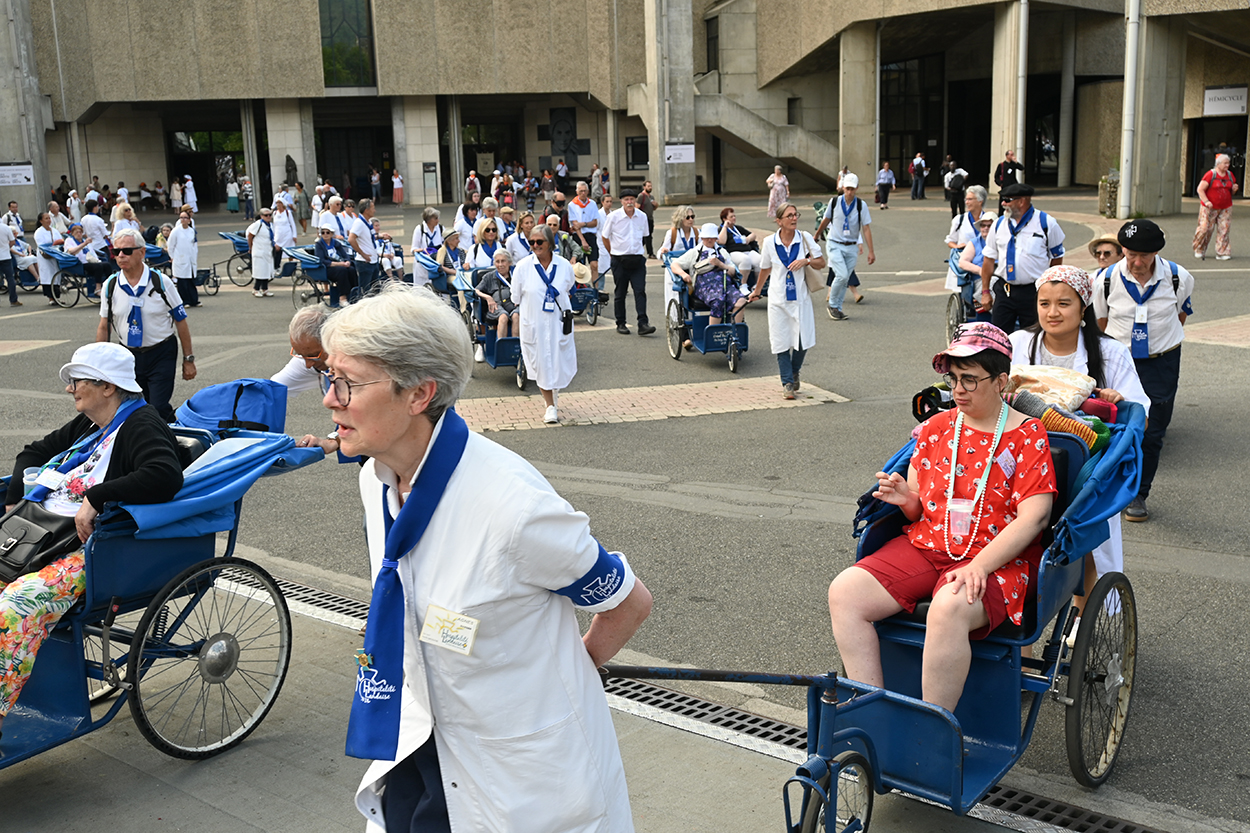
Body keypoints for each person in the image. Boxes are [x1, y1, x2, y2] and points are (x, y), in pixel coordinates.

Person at [318, 285, 650, 831]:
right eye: (328, 378)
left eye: (347, 383)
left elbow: (628, 602)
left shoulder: (514, 507)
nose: (330, 399)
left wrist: (572, 670)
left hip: (519, 776)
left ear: (419, 394)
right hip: (421, 747)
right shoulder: (376, 480)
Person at [827, 323, 1055, 713]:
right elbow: (921, 506)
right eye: (954, 379)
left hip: (1000, 558)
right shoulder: (935, 428)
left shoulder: (1027, 434)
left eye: (970, 379)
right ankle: (870, 708)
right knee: (845, 592)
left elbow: (1034, 518)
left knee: (948, 606)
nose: (958, 390)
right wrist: (906, 499)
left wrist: (979, 566)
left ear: (1000, 381)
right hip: (930, 544)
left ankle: (932, 727)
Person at [0, 342, 184, 740]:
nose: (70, 388)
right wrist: (16, 499)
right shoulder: (89, 424)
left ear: (108, 387)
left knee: (14, 607)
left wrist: (97, 497)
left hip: (91, 547)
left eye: (77, 380)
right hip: (43, 533)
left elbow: (165, 474)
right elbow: (33, 453)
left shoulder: (141, 423)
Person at [1009, 265, 1149, 599]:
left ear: (1083, 307)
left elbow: (1140, 414)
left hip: (1084, 466)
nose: (1052, 313)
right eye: (1044, 303)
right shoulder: (1018, 343)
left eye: (1063, 303)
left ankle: (1080, 614)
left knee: (1084, 547)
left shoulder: (1110, 352)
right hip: (1021, 458)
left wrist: (1117, 400)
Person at [1092, 219, 1194, 523]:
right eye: (1131, 254)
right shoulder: (1106, 279)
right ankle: (1107, 488)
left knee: (1153, 431)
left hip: (1161, 362)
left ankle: (1139, 493)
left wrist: (1157, 342)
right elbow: (1101, 320)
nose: (1137, 263)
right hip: (1120, 360)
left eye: (1145, 256)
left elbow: (1180, 315)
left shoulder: (1178, 277)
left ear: (1157, 253)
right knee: (1113, 425)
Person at [95, 229, 196, 422]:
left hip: (161, 352)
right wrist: (99, 365)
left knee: (157, 406)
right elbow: (103, 326)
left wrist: (188, 359)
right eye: (116, 251)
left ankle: (169, 435)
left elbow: (181, 321)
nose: (121, 256)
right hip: (128, 355)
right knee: (134, 408)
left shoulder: (161, 282)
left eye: (127, 251)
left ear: (142, 252)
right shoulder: (111, 285)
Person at [749, 202, 826, 399]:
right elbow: (765, 269)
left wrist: (806, 261)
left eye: (795, 215)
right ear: (779, 221)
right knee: (780, 340)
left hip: (800, 298)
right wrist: (756, 291)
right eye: (789, 216)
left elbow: (821, 262)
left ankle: (794, 370)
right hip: (778, 299)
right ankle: (787, 383)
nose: (794, 218)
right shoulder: (769, 242)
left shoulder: (804, 238)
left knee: (803, 340)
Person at [979, 182, 1065, 333]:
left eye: (1007, 200)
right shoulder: (999, 224)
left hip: (1033, 291)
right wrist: (985, 292)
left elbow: (1057, 259)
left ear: (1022, 201)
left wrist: (1050, 289)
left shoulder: (1046, 223)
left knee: (1033, 336)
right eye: (1003, 200)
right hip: (1005, 290)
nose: (1003, 204)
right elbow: (988, 260)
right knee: (999, 336)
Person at [669, 223, 747, 345]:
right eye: (707, 237)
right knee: (718, 301)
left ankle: (735, 335)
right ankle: (712, 338)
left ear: (716, 238)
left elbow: (733, 272)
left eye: (712, 237)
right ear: (702, 238)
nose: (710, 240)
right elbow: (674, 264)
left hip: (725, 284)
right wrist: (683, 274)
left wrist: (721, 264)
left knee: (741, 301)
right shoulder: (694, 252)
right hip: (704, 286)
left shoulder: (722, 252)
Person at [815, 174, 874, 320]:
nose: (849, 192)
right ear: (843, 187)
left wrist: (871, 251)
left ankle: (838, 308)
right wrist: (816, 235)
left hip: (851, 246)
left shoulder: (861, 205)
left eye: (852, 189)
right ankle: (832, 304)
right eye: (847, 189)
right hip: (835, 243)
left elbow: (866, 228)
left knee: (845, 278)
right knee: (841, 275)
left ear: (857, 188)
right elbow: (826, 219)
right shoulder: (834, 202)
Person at [600, 188, 654, 336]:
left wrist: (636, 249)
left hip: (637, 260)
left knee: (640, 291)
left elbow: (644, 235)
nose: (629, 202)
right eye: (626, 200)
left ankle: (643, 323)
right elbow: (605, 236)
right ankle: (621, 323)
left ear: (635, 200)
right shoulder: (614, 217)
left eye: (631, 199)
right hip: (619, 259)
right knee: (620, 292)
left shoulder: (642, 216)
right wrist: (612, 253)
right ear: (622, 201)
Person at [944, 185, 989, 296]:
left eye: (970, 199)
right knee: (964, 295)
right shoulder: (959, 220)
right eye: (966, 199)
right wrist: (956, 246)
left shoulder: (990, 220)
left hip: (983, 262)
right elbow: (950, 241)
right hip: (965, 263)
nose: (966, 202)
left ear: (980, 201)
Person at [1193, 152, 1238, 261]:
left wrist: (1234, 189)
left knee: (1224, 229)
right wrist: (1206, 201)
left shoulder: (1230, 175)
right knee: (1205, 228)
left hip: (1225, 207)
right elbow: (1200, 189)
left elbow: (1231, 190)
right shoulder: (1211, 174)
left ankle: (1222, 252)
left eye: (1228, 163)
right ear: (1218, 164)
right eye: (1225, 163)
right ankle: (1199, 248)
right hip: (1209, 207)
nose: (1227, 165)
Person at [474, 249, 521, 349]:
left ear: (509, 262)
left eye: (503, 261)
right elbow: (476, 290)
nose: (500, 265)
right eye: (497, 261)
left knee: (516, 316)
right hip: (496, 306)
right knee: (503, 317)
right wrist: (488, 297)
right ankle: (501, 350)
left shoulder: (517, 274)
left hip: (514, 304)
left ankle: (515, 348)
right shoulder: (489, 277)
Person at [718, 207, 761, 294]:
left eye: (734, 216)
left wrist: (748, 239)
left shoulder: (738, 228)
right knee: (745, 260)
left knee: (760, 260)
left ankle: (758, 285)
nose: (734, 218)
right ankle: (743, 285)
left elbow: (753, 235)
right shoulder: (722, 230)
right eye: (731, 217)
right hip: (732, 253)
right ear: (724, 219)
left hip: (747, 251)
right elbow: (721, 241)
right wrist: (725, 226)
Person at [349, 199, 384, 296]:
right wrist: (363, 254)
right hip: (365, 262)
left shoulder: (368, 222)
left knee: (376, 290)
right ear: (366, 210)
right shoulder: (359, 223)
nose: (374, 210)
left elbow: (367, 238)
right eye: (373, 208)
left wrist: (379, 236)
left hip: (373, 260)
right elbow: (351, 239)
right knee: (364, 291)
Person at [567, 181, 600, 278]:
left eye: (585, 191)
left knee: (594, 264)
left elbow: (595, 222)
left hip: (591, 235)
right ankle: (581, 285)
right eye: (581, 191)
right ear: (577, 192)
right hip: (579, 236)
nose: (583, 193)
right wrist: (583, 241)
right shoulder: (572, 205)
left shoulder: (592, 203)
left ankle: (596, 286)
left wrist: (583, 224)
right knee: (580, 266)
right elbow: (575, 225)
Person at [167, 212, 200, 308]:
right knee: (182, 281)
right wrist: (173, 257)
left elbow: (194, 245)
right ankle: (185, 301)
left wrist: (194, 256)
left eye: (185, 218)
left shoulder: (191, 231)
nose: (183, 220)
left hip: (190, 259)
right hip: (180, 258)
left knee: (190, 280)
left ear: (189, 220)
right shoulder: (176, 231)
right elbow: (170, 245)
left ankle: (194, 300)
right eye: (181, 218)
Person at [33, 212, 65, 305]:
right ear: (41, 221)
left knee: (56, 275)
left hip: (55, 256)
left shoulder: (54, 231)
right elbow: (41, 245)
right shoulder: (39, 232)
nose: (48, 220)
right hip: (45, 257)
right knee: (48, 276)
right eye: (46, 218)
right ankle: (50, 298)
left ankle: (56, 297)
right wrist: (53, 245)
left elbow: (60, 240)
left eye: (49, 218)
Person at [248, 206, 279, 298]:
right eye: (266, 215)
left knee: (266, 270)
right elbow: (250, 236)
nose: (268, 217)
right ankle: (256, 289)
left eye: (270, 215)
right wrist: (251, 247)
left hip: (267, 251)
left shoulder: (270, 225)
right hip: (259, 251)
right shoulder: (258, 225)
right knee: (260, 271)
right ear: (261, 216)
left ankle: (265, 289)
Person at [994, 150, 1024, 215]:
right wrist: (1000, 183)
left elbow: (1021, 168)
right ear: (1007, 156)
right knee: (1004, 200)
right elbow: (996, 176)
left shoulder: (1013, 164)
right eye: (1011, 155)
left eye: (1013, 154)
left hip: (1013, 185)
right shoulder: (1002, 165)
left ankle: (1014, 213)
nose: (1012, 156)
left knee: (1014, 200)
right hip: (1005, 186)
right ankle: (1001, 214)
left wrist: (1016, 162)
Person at [0, 217, 20, 307]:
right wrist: (7, 247)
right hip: (5, 256)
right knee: (10, 278)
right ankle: (13, 300)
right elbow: (12, 241)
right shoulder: (6, 227)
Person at [638, 181, 657, 258]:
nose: (650, 188)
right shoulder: (641, 196)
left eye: (651, 186)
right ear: (644, 187)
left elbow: (654, 208)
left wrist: (655, 205)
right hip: (643, 220)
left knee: (646, 237)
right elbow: (637, 207)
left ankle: (637, 250)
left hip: (650, 218)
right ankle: (650, 253)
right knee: (647, 236)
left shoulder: (651, 197)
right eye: (648, 186)